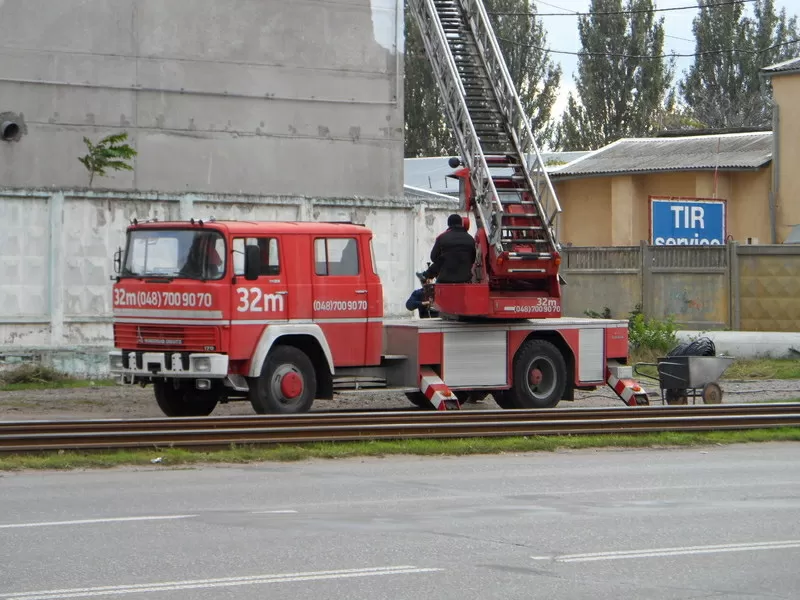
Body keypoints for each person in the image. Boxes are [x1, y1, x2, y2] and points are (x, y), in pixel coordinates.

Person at [419, 214, 476, 284]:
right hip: (465, 279)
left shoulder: (442, 238)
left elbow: (433, 257)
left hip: (445, 280)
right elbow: (472, 259)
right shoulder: (471, 239)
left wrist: (445, 259)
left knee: (443, 258)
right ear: (461, 223)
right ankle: (426, 274)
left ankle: (426, 275)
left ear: (448, 224)